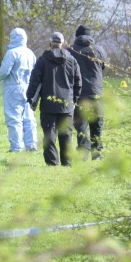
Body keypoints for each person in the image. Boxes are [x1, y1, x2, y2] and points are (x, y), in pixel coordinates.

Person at [26, 31, 81, 167]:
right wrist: (74, 99)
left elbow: (34, 81)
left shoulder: (43, 59)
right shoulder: (72, 60)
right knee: (66, 134)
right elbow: (78, 82)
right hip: (67, 104)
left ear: (50, 43)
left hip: (48, 104)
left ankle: (52, 163)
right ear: (62, 44)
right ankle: (67, 163)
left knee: (49, 134)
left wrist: (31, 99)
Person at [0, 27, 38, 152]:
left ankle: (16, 147)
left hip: (13, 87)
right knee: (28, 117)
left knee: (14, 117)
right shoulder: (30, 53)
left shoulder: (12, 53)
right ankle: (31, 145)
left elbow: (4, 71)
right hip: (28, 87)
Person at [68, 24, 108, 159]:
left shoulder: (70, 50)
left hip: (77, 92)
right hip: (95, 91)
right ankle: (96, 153)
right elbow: (103, 66)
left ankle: (83, 153)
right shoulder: (98, 50)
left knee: (81, 124)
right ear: (90, 36)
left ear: (76, 36)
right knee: (97, 123)